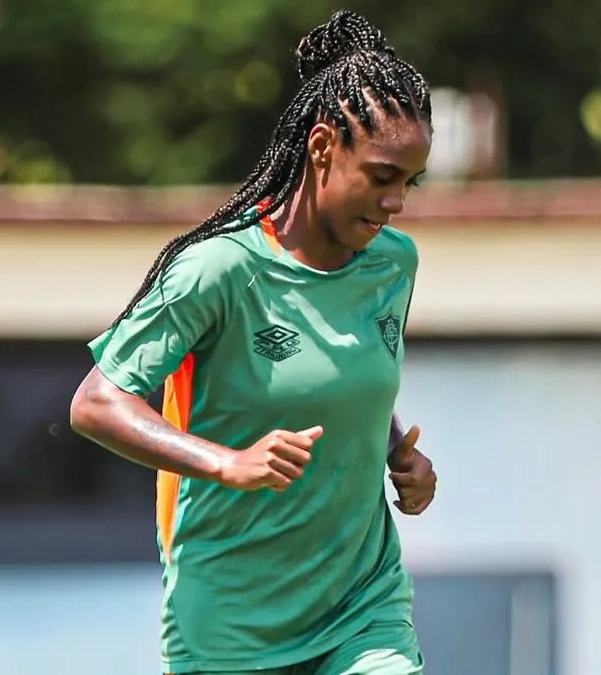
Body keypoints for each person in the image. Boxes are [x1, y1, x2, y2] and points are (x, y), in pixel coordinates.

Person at [70, 9, 438, 675]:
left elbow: (345, 371)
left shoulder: (394, 263)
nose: (397, 202)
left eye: (409, 182)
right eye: (382, 177)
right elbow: (97, 403)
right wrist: (224, 461)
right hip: (231, 626)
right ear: (323, 147)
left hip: (361, 606)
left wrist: (397, 453)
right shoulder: (218, 269)